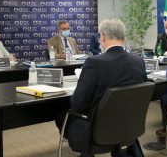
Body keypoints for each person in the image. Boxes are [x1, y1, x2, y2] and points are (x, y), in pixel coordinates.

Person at [59, 18, 147, 157]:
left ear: (103, 37)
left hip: (98, 130)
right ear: (124, 38)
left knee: (62, 113)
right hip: (128, 126)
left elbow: (78, 104)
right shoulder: (138, 62)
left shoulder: (94, 62)